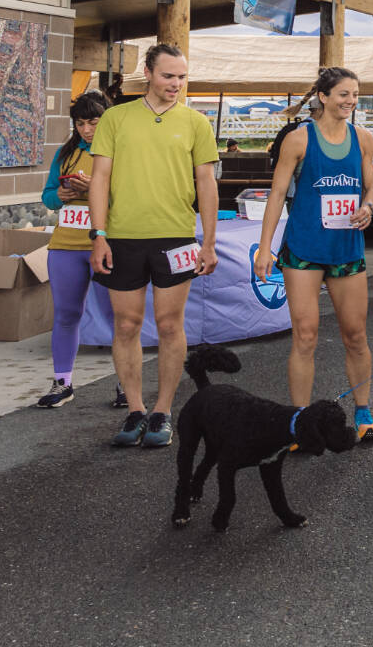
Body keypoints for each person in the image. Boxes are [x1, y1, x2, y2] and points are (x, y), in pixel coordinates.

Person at [87, 43, 220, 448]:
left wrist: (208, 242)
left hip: (175, 237)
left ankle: (163, 411)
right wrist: (99, 234)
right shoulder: (116, 118)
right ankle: (135, 409)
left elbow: (206, 183)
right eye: (168, 76)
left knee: (168, 325)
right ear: (148, 73)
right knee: (126, 325)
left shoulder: (196, 122)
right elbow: (100, 179)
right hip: (123, 237)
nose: (175, 84)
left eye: (181, 76)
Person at [255, 67, 373, 439]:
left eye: (355, 94)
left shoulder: (364, 139)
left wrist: (368, 209)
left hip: (346, 250)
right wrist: (265, 248)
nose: (351, 101)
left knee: (355, 335)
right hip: (304, 249)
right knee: (305, 336)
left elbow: (370, 191)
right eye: (344, 94)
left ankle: (363, 413)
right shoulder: (298, 140)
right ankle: (300, 419)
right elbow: (277, 194)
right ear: (323, 97)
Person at [35, 90, 110, 409]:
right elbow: (47, 196)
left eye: (93, 122)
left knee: (118, 317)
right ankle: (62, 382)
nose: (87, 130)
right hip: (65, 244)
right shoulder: (66, 152)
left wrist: (92, 186)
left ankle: (124, 384)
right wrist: (61, 196)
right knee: (66, 314)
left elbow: (127, 196)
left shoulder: (120, 150)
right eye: (80, 123)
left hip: (107, 243)